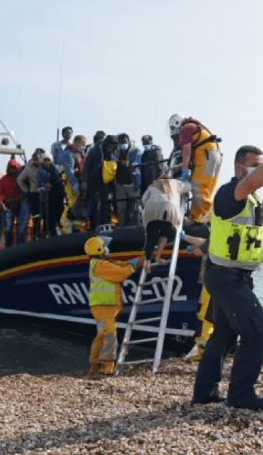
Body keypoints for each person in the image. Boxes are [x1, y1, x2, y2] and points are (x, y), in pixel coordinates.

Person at [192, 138, 263, 410]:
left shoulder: (248, 199)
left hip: (230, 276)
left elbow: (245, 235)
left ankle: (204, 393)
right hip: (227, 278)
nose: (259, 171)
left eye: (261, 166)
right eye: (255, 166)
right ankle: (241, 395)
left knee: (223, 336)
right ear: (240, 168)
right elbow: (252, 183)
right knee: (259, 331)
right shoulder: (231, 193)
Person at [84, 236, 141, 375]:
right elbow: (120, 273)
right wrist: (132, 266)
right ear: (99, 249)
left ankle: (94, 365)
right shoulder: (99, 265)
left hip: (104, 306)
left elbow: (119, 265)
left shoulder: (101, 263)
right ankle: (108, 365)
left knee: (102, 335)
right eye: (104, 246)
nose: (107, 248)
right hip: (103, 306)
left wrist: (138, 260)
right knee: (110, 334)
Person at [168, 114, 222, 223]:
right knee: (205, 190)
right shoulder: (195, 127)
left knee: (197, 187)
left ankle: (206, 219)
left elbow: (186, 151)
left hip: (206, 156)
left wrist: (184, 170)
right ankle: (198, 218)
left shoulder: (186, 128)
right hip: (214, 156)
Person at [140, 170, 191, 268]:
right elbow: (188, 187)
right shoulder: (175, 183)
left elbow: (143, 199)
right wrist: (185, 180)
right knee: (167, 232)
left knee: (151, 235)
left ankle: (147, 261)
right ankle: (158, 256)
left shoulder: (152, 185)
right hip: (169, 209)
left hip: (151, 208)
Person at [82, 135, 118, 228]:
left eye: (113, 146)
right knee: (95, 204)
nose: (111, 148)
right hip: (93, 182)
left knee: (105, 204)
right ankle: (95, 226)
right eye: (110, 146)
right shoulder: (95, 151)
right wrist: (84, 181)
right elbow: (87, 166)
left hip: (105, 183)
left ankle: (105, 224)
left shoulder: (112, 154)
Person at [60, 135, 88, 233]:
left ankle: (76, 228)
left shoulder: (80, 153)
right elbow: (69, 170)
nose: (84, 146)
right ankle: (65, 228)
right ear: (76, 142)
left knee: (77, 206)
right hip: (71, 183)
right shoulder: (68, 154)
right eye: (83, 144)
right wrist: (74, 183)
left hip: (79, 182)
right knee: (71, 205)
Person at [114, 133, 143, 227]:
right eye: (120, 142)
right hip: (120, 185)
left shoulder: (136, 150)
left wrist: (131, 163)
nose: (123, 144)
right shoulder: (116, 152)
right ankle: (121, 227)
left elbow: (137, 161)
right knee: (121, 208)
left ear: (129, 141)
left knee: (139, 206)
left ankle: (141, 225)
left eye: (124, 142)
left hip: (132, 185)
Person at [0, 159, 21, 247]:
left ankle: (20, 244)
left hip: (19, 205)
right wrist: (5, 200)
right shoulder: (3, 180)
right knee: (8, 227)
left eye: (14, 168)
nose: (12, 170)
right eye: (11, 168)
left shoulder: (20, 178)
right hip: (8, 206)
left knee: (20, 226)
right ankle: (8, 245)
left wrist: (18, 199)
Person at [16, 155, 41, 242]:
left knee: (40, 217)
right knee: (27, 219)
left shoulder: (45, 166)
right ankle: (21, 242)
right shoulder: (28, 168)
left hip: (43, 195)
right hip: (32, 195)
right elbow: (19, 180)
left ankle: (38, 237)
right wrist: (26, 191)